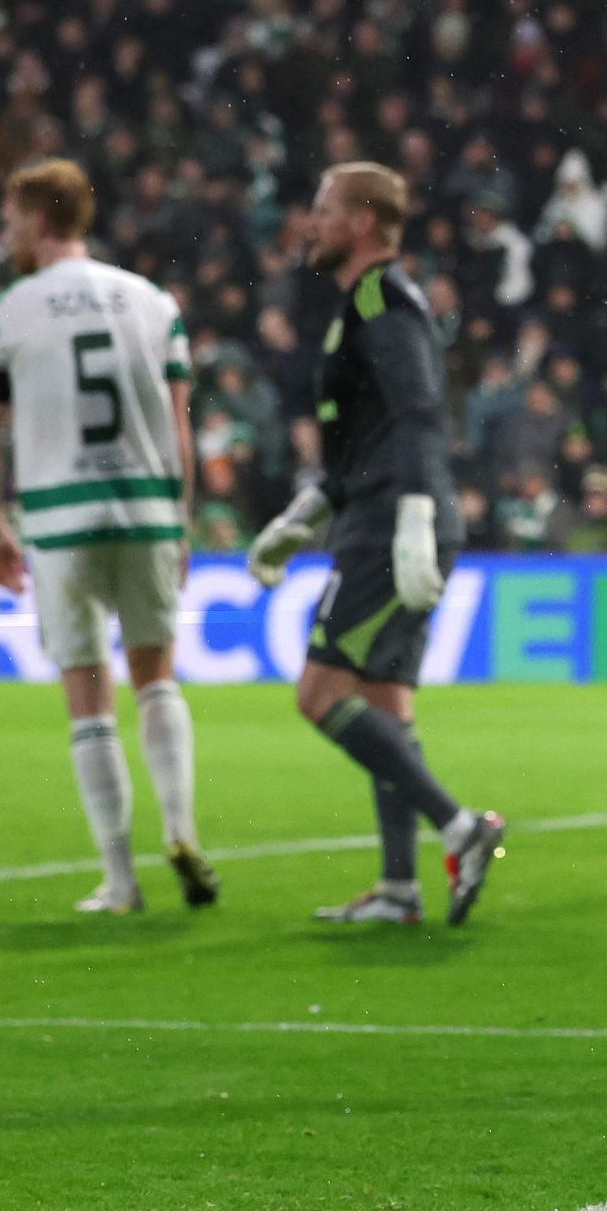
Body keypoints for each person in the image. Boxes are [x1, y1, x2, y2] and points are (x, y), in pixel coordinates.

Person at [246, 162, 506, 926]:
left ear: (362, 222)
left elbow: (421, 412)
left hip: (393, 525)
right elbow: (364, 445)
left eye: (324, 209)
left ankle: (460, 827)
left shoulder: (379, 298)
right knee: (385, 702)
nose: (311, 223)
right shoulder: (365, 304)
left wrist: (415, 514)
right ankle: (398, 889)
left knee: (320, 696)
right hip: (384, 512)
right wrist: (301, 518)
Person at [0, 158, 215, 915]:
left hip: (60, 514)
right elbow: (179, 426)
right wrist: (181, 519)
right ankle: (182, 829)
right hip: (146, 508)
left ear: (41, 220)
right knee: (156, 675)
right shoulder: (152, 301)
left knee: (87, 691)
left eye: (12, 222)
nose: (5, 235)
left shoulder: (7, 310)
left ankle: (121, 879)